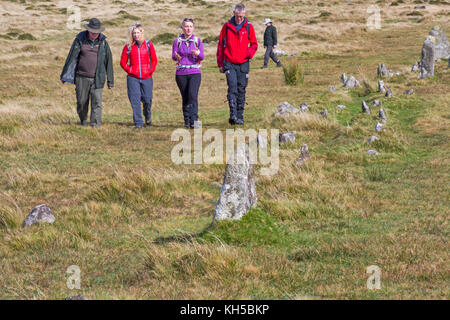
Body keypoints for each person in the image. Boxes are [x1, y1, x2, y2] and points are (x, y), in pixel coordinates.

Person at [60, 18, 114, 128]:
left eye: (96, 32)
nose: (94, 34)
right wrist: (64, 75)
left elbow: (109, 62)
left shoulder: (103, 43)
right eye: (92, 32)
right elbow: (71, 57)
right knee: (81, 102)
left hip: (97, 78)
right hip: (81, 77)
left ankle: (95, 124)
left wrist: (110, 81)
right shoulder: (79, 40)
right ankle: (83, 121)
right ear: (88, 30)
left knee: (97, 103)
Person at [217, 3, 258, 125]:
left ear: (244, 14)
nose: (239, 18)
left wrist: (248, 53)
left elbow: (254, 44)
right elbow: (220, 45)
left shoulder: (249, 27)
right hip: (229, 63)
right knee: (232, 87)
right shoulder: (227, 27)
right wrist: (220, 63)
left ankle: (240, 116)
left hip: (244, 63)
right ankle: (232, 114)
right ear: (233, 13)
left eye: (241, 16)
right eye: (237, 15)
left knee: (241, 88)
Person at [120, 23, 157, 128]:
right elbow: (123, 62)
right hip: (133, 78)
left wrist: (150, 71)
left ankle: (147, 115)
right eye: (134, 33)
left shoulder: (149, 45)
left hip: (147, 77)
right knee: (135, 100)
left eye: (138, 33)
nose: (136, 35)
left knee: (147, 99)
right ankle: (139, 123)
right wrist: (130, 70)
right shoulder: (128, 47)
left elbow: (154, 60)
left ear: (142, 33)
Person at [172, 18, 204, 129]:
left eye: (190, 26)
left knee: (192, 96)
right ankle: (187, 120)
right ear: (182, 28)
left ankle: (194, 121)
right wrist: (176, 57)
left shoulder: (197, 41)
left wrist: (197, 54)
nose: (188, 28)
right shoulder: (177, 41)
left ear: (193, 28)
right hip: (181, 73)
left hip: (195, 72)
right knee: (185, 97)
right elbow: (173, 56)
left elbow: (202, 56)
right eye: (186, 26)